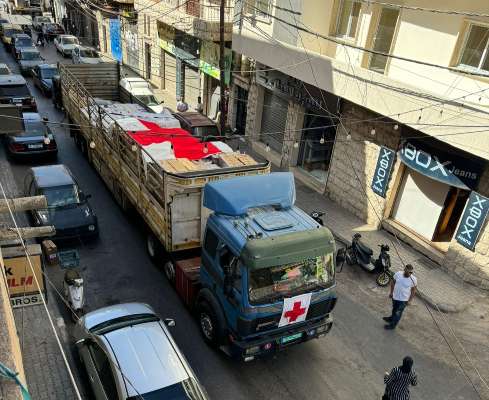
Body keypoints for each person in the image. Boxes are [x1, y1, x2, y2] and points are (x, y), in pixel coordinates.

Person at [384, 264, 417, 330]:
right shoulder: (398, 274)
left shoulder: (413, 279)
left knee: (398, 313)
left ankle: (392, 326)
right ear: (404, 269)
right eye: (408, 272)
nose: (409, 274)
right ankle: (391, 318)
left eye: (411, 272)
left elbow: (413, 290)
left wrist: (410, 300)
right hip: (395, 296)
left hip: (403, 300)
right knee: (394, 309)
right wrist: (391, 292)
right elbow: (393, 282)